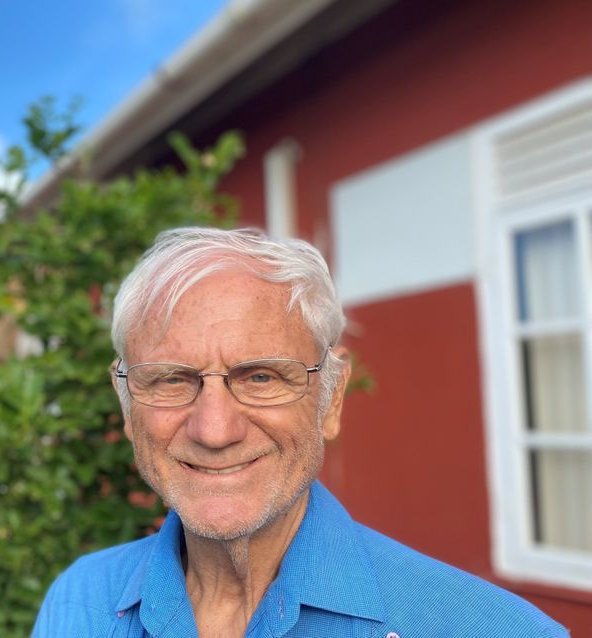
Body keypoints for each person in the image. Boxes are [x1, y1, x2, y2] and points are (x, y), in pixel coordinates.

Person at [31, 227, 568, 637]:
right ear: (127, 404)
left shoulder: (491, 628)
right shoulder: (80, 601)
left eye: (261, 376)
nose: (215, 429)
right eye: (170, 379)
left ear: (330, 398)